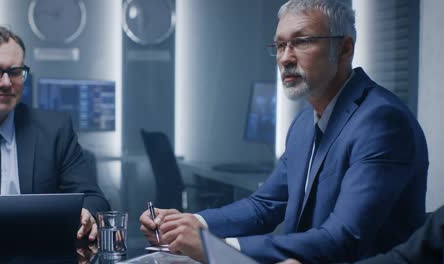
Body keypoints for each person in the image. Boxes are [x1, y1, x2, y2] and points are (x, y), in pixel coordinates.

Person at [140, 0, 428, 263]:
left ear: (345, 48)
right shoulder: (304, 123)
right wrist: (191, 223)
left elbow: (343, 240)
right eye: (279, 45)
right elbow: (265, 205)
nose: (285, 58)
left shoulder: (382, 122)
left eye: (301, 42)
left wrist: (217, 248)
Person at [0, 25, 110, 241]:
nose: (6, 83)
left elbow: (93, 198)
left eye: (15, 72)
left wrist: (87, 214)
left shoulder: (54, 129)